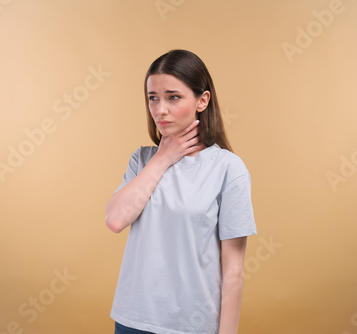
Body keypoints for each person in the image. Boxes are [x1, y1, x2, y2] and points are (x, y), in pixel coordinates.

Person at [105, 49, 257, 334]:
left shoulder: (228, 169)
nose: (160, 109)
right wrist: (163, 158)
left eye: (173, 97)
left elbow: (234, 271)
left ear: (202, 100)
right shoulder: (142, 160)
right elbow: (115, 219)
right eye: (153, 98)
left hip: (193, 325)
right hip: (132, 320)